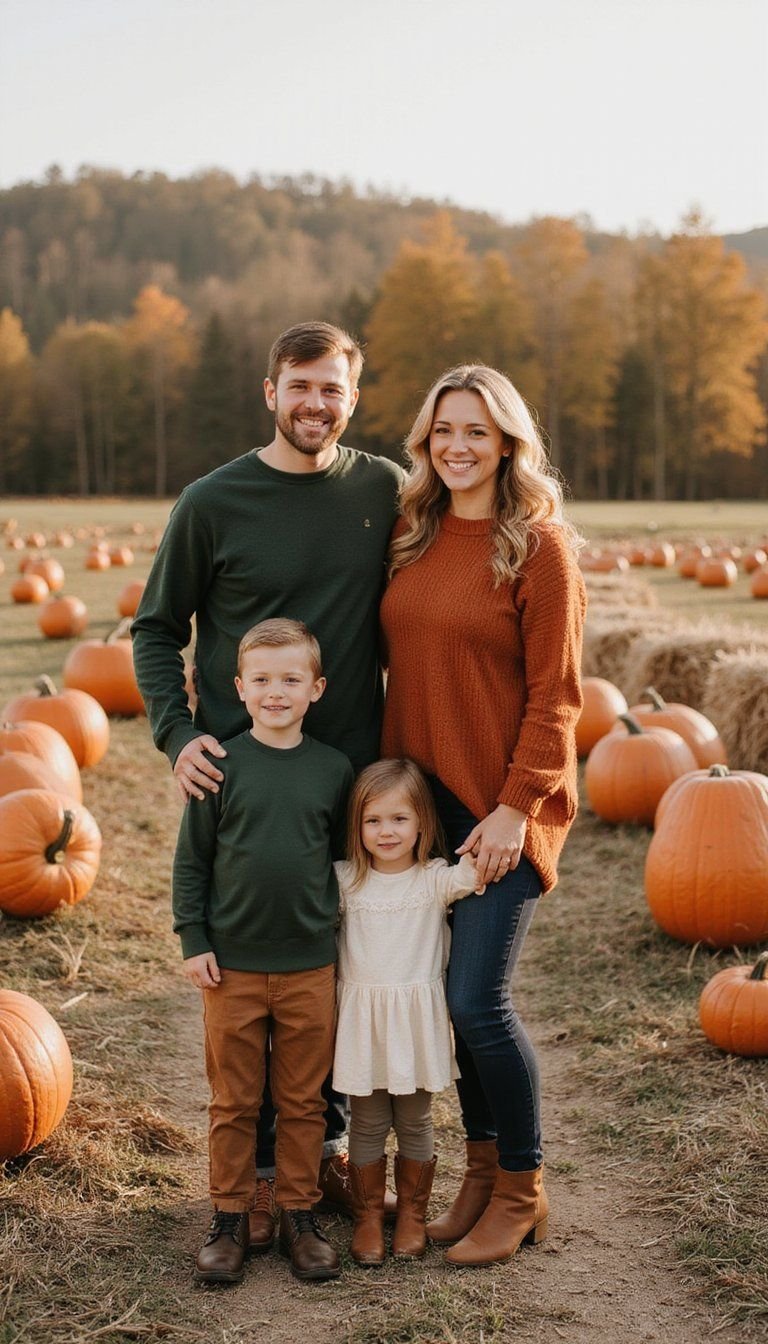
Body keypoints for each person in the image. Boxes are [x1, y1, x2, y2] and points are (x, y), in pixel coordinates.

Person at [132, 321, 403, 1242]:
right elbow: (156, 629)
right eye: (300, 386)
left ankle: (311, 1159)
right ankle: (246, 1176)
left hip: (350, 786)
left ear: (353, 398)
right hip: (242, 784)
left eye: (332, 388)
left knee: (330, 971)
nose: (315, 404)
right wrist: (178, 735)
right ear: (270, 390)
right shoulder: (212, 501)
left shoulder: (382, 490)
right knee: (248, 978)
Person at [380, 364, 586, 1267]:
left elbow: (559, 698)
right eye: (441, 432)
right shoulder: (411, 533)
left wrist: (513, 809)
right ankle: (480, 1171)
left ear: (507, 442)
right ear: (424, 443)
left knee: (478, 1000)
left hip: (503, 808)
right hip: (426, 810)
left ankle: (524, 1187)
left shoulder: (539, 547)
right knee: (445, 1001)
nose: (456, 447)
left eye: (475, 431)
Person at [173, 618, 354, 1284]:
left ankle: (298, 1217)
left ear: (316, 687)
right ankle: (228, 1217)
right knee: (235, 1101)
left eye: (290, 679)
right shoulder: (220, 764)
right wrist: (194, 940)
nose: (275, 692)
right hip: (233, 969)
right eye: (263, 680)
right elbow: (192, 863)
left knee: (305, 1100)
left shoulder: (333, 770)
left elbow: (339, 862)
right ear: (239, 687)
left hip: (309, 964)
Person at [333, 758, 485, 1266]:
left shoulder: (434, 880)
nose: (386, 831)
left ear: (423, 821)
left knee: (417, 1120)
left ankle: (414, 1215)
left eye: (400, 819)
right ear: (357, 827)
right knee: (368, 1122)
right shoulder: (345, 881)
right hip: (364, 1024)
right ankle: (370, 1216)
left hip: (414, 1025)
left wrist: (509, 815)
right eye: (373, 820)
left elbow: (483, 868)